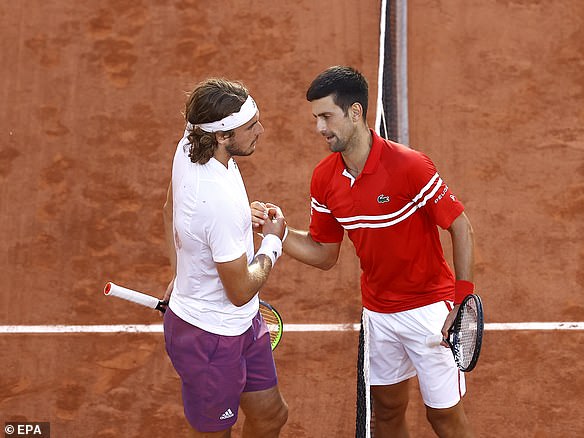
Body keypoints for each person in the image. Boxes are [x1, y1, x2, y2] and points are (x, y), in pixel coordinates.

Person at [252, 66, 476, 438]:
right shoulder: (324, 178)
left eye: (326, 117)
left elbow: (461, 226)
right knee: (386, 414)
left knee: (444, 420)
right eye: (316, 118)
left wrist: (462, 299)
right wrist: (279, 233)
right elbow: (324, 253)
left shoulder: (410, 166)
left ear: (355, 112)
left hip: (429, 313)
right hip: (378, 314)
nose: (319, 128)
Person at [162, 78, 288, 438]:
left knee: (271, 416)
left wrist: (180, 273)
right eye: (250, 127)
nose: (260, 131)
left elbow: (170, 208)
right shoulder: (217, 203)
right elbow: (240, 291)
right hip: (209, 339)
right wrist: (272, 243)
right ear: (220, 135)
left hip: (241, 325)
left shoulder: (190, 143)